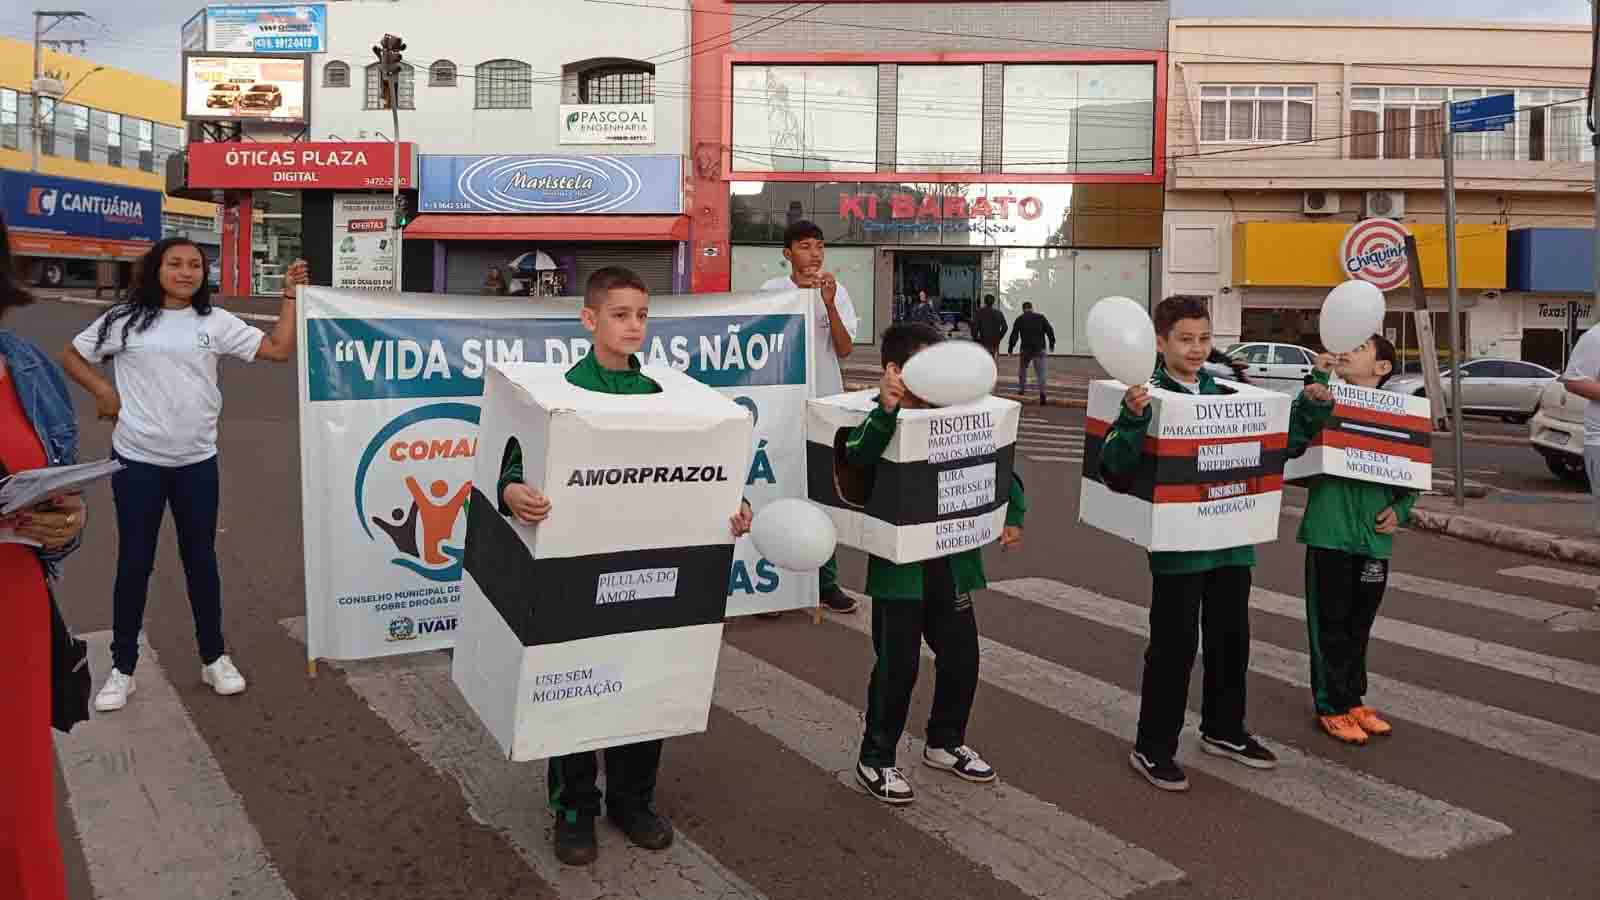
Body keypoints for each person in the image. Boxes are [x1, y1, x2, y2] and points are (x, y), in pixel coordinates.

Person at [498, 266, 753, 866]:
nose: (634, 326)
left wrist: (734, 505)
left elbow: (706, 466)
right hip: (575, 570)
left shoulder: (670, 395)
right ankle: (573, 808)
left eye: (642, 315)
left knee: (645, 677)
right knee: (572, 685)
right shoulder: (554, 393)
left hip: (653, 569)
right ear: (589, 320)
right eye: (620, 315)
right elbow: (512, 458)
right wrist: (512, 492)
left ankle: (632, 800)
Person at [60, 239, 308, 712]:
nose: (186, 272)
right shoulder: (124, 320)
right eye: (175, 263)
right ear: (156, 269)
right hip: (136, 461)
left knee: (201, 561)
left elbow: (278, 349)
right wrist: (102, 390)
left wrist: (289, 296)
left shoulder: (215, 322)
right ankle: (123, 668)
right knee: (135, 562)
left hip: (196, 462)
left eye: (195, 265)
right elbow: (73, 355)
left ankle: (214, 658)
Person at [1099, 295, 1278, 792]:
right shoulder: (1143, 396)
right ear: (1160, 342)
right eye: (1185, 339)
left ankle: (1224, 729)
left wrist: (1310, 409)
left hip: (1233, 542)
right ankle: (1153, 747)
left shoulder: (1229, 392)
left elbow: (1274, 447)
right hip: (1179, 548)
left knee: (1231, 641)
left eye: (1204, 338)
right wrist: (1133, 421)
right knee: (1174, 648)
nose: (1197, 349)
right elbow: (1114, 468)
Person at [843, 322, 1026, 804]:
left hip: (951, 560)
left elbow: (996, 461)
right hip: (899, 569)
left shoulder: (956, 412)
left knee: (963, 656)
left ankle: (945, 741)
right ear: (895, 371)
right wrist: (886, 412)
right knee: (898, 666)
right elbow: (855, 457)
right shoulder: (877, 414)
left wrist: (1013, 512)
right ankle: (875, 758)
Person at [0, 214, 86, 900]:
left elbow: (56, 490)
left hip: (16, 608)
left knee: (21, 804)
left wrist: (65, 521)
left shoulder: (26, 366)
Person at [1289, 336, 1416, 744]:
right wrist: (1316, 381)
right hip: (1330, 532)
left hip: (1373, 539)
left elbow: (1412, 469)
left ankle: (1353, 699)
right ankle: (1330, 706)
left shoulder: (1398, 413)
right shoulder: (1325, 398)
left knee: (1359, 625)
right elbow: (1296, 434)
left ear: (1382, 368)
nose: (1348, 350)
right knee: (1330, 625)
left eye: (1360, 347)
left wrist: (1400, 510)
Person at [761, 220, 860, 614]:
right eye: (805, 246)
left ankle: (826, 583)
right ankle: (773, 586)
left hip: (824, 408)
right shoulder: (771, 292)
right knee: (779, 491)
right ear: (788, 253)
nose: (814, 254)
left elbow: (845, 349)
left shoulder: (837, 291)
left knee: (823, 495)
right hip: (782, 408)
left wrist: (829, 304)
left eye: (819, 246)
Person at [1008, 302, 1056, 406]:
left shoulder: (1020, 319)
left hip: (1025, 349)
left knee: (1023, 369)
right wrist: (1052, 343)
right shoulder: (1041, 317)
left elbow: (1014, 334)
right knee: (1041, 373)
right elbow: (1049, 330)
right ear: (1032, 308)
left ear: (1023, 309)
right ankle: (1042, 394)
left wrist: (1010, 347)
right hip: (1039, 348)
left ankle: (1021, 389)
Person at [973, 294, 1007, 359]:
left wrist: (975, 338)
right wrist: (999, 338)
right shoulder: (998, 313)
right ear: (993, 302)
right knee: (992, 359)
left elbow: (975, 327)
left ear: (984, 301)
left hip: (983, 341)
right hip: (994, 342)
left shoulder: (979, 312)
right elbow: (1005, 328)